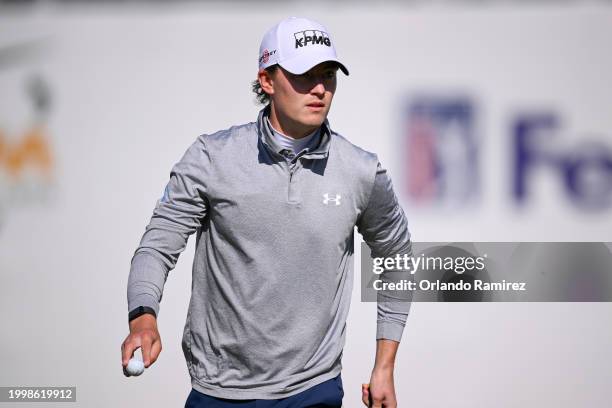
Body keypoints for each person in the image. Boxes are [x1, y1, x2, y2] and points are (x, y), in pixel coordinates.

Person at [121, 16, 412, 408]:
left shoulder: (361, 170)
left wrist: (384, 366)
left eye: (328, 74)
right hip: (218, 392)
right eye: (305, 75)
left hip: (314, 389)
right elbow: (157, 247)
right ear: (267, 81)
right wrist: (143, 315)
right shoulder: (211, 157)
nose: (321, 88)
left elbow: (397, 256)